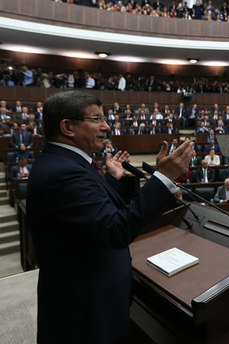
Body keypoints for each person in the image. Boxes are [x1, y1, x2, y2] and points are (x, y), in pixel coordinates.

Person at [27, 91, 194, 343]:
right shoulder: (64, 172)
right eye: (97, 119)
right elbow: (113, 229)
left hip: (91, 299)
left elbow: (91, 211)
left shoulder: (70, 163)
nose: (106, 126)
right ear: (67, 127)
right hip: (85, 313)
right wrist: (163, 178)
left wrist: (113, 180)